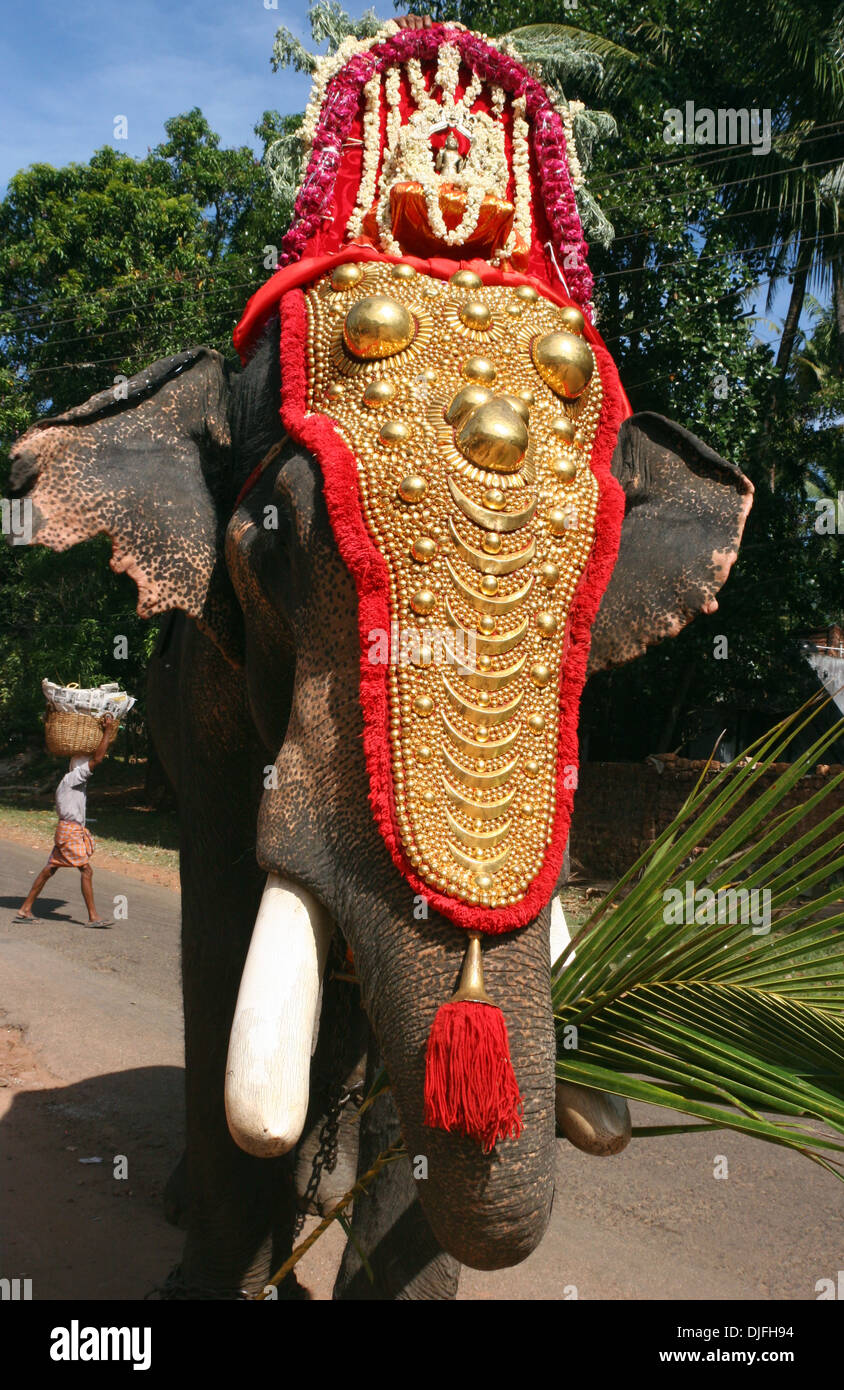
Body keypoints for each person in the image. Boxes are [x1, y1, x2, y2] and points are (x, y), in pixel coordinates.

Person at [14, 717, 118, 929]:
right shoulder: (73, 778)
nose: (91, 768)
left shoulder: (70, 782)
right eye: (87, 764)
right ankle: (93, 917)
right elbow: (97, 759)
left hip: (68, 830)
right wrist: (107, 732)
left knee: (49, 869)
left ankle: (25, 909)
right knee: (86, 870)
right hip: (70, 831)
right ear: (81, 767)